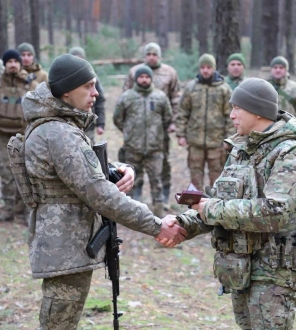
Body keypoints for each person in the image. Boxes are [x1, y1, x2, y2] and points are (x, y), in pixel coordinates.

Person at [21, 54, 186, 329]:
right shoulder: (59, 133)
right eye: (88, 86)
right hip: (63, 244)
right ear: (66, 91)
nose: (96, 93)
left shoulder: (61, 126)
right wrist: (156, 225)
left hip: (66, 244)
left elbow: (83, 165)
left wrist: (122, 168)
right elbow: (101, 194)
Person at [159, 78, 296, 329]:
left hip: (276, 269)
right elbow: (220, 201)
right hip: (241, 265)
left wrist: (210, 208)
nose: (231, 114)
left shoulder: (292, 152)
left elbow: (274, 212)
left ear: (257, 112)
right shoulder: (242, 147)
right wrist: (184, 223)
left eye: (237, 108)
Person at [123, 42, 180, 210]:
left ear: (159, 56)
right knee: (135, 166)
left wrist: (173, 123)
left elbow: (176, 99)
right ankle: (135, 199)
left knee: (162, 165)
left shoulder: (170, 73)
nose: (151, 57)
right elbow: (125, 98)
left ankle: (163, 200)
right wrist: (129, 126)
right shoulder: (134, 72)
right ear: (144, 56)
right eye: (148, 54)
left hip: (160, 128)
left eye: (155, 54)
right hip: (137, 130)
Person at [114, 66, 172, 217]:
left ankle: (159, 213)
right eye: (141, 77)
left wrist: (156, 134)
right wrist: (131, 133)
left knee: (156, 181)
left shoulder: (160, 97)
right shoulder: (126, 97)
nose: (144, 80)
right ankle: (133, 214)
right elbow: (118, 119)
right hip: (133, 148)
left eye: (147, 77)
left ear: (151, 78)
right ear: (136, 79)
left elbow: (167, 118)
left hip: (155, 149)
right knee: (133, 181)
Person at [176, 53, 234, 191]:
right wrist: (181, 134)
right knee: (195, 178)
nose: (205, 70)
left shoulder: (224, 89)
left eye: (209, 67)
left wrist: (230, 140)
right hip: (195, 142)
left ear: (214, 68)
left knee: (217, 178)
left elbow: (230, 116)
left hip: (217, 143)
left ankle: (214, 207)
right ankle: (196, 208)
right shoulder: (191, 88)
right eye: (203, 67)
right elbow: (183, 112)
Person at [0, 49, 38, 222]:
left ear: (20, 63)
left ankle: (24, 212)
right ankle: (7, 209)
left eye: (15, 61)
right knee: (6, 174)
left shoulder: (30, 84)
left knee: (25, 173)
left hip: (24, 135)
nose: (12, 64)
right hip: (2, 135)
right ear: (5, 64)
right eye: (9, 61)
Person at [69, 46, 105, 143]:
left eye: (80, 59)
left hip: (87, 123)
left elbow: (100, 100)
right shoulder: (65, 79)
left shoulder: (92, 77)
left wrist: (100, 124)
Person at [268, 55, 296, 126]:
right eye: (275, 67)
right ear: (271, 69)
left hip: (290, 132)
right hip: (267, 132)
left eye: (281, 67)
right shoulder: (263, 87)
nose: (278, 70)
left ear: (286, 69)